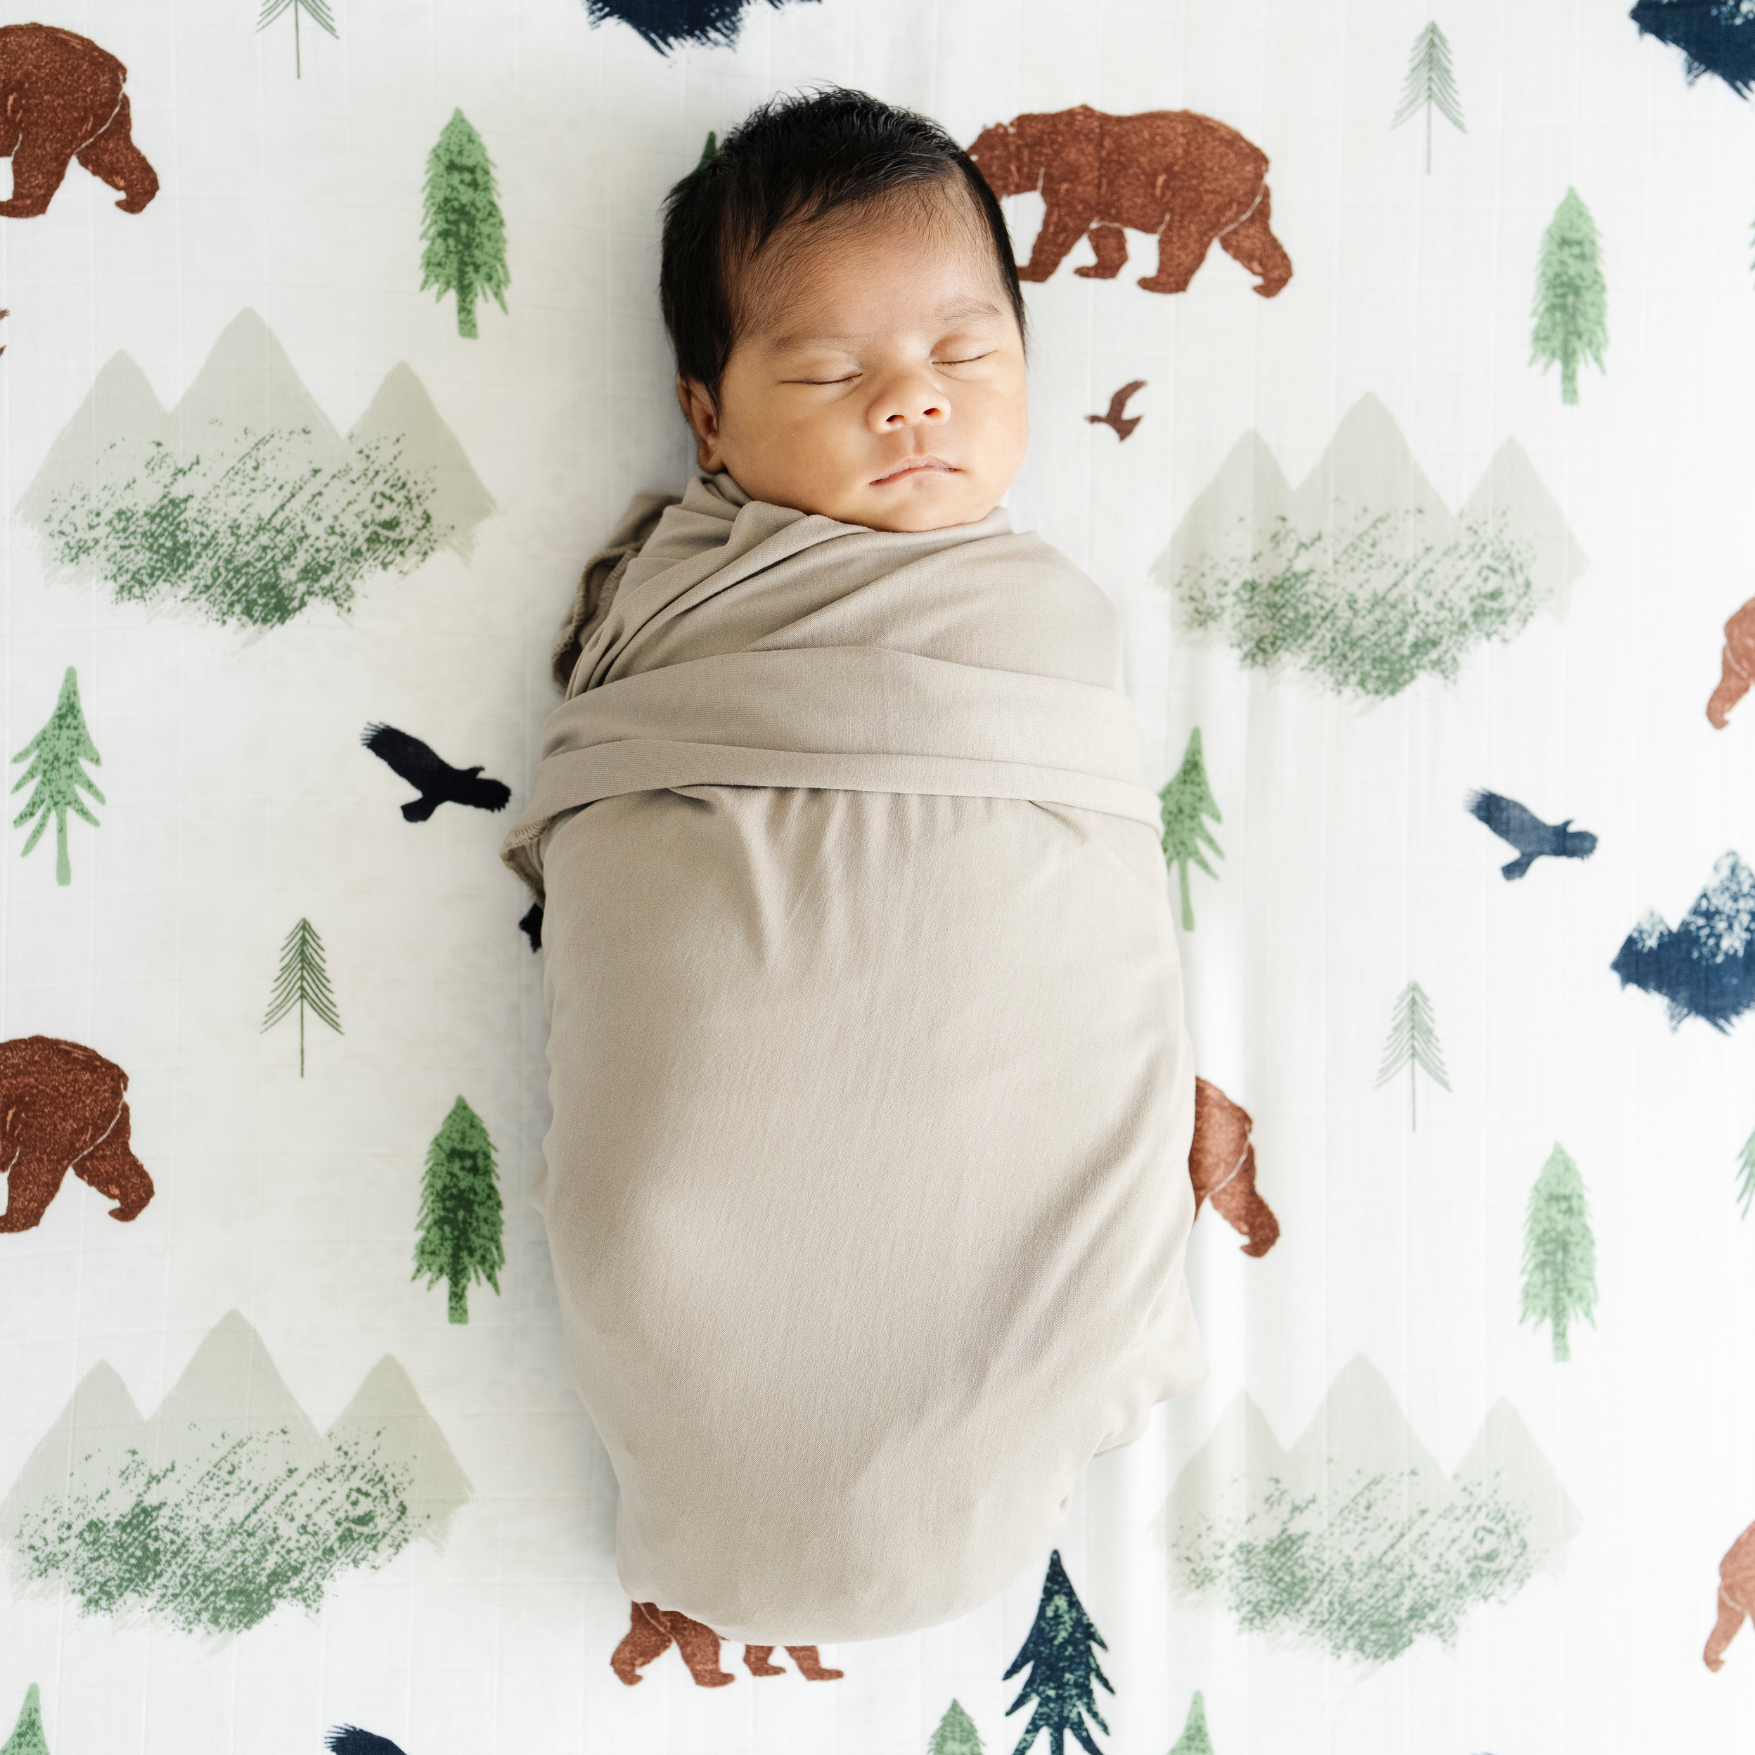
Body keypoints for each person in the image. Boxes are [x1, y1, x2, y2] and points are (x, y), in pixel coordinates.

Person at [501, 85, 1206, 1649]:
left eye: (965, 355)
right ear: (708, 418)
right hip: (719, 1169)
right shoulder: (679, 606)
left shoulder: (1042, 621)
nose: (913, 403)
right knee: (661, 1217)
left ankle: (1011, 1389)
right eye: (830, 368)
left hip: (1000, 1144)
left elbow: (1085, 936)